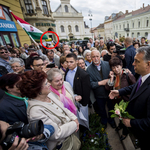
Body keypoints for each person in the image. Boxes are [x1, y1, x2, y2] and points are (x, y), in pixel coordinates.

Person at [19, 70, 80, 150]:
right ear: (37, 90)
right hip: (61, 145)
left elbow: (63, 108)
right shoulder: (35, 111)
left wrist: (74, 118)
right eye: (46, 83)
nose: (49, 84)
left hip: (70, 136)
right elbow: (56, 134)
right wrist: (74, 124)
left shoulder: (49, 94)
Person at [109, 46, 150, 150]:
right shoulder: (143, 76)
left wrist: (131, 123)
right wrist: (119, 91)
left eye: (137, 61)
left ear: (148, 64)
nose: (133, 64)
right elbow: (135, 87)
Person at [105, 57, 136, 140]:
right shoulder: (112, 75)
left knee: (126, 117)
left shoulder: (128, 75)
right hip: (117, 102)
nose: (116, 69)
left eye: (117, 66)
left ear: (121, 66)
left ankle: (125, 133)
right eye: (113, 67)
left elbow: (135, 87)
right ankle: (120, 125)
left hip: (126, 102)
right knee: (119, 115)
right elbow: (108, 88)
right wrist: (111, 78)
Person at [86, 50, 115, 129]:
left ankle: (112, 121)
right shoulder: (88, 69)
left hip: (110, 92)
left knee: (111, 108)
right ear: (91, 58)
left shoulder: (107, 64)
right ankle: (104, 122)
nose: (96, 58)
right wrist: (100, 83)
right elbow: (90, 84)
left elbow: (114, 75)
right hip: (99, 94)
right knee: (102, 109)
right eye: (93, 57)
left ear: (100, 56)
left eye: (97, 56)